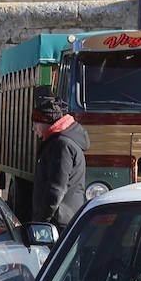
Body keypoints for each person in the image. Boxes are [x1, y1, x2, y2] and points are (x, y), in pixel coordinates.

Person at [30, 97, 88, 228]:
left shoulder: (61, 145)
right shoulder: (59, 142)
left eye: (35, 123)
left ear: (46, 121)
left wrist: (41, 221)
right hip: (61, 219)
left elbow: (56, 188)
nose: (33, 128)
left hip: (58, 223)